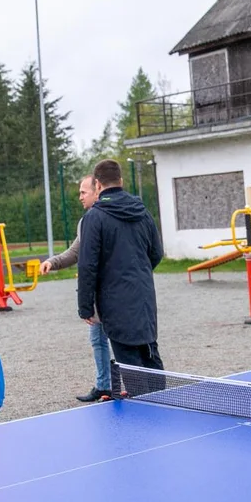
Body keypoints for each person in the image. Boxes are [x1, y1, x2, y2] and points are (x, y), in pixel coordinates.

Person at [77, 159, 165, 371]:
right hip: (143, 296)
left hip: (114, 301)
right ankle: (162, 402)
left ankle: (142, 403)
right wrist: (137, 272)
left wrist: (85, 307)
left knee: (131, 365)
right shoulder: (142, 212)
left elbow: (87, 266)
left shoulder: (94, 217)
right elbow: (156, 252)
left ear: (97, 185)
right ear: (121, 181)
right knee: (149, 354)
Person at [40, 175, 112, 401]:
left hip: (113, 294)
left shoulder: (108, 218)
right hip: (95, 296)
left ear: (97, 190)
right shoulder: (85, 223)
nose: (80, 196)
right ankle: (104, 386)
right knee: (98, 340)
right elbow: (74, 251)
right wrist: (53, 262)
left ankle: (123, 386)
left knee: (119, 344)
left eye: (83, 192)